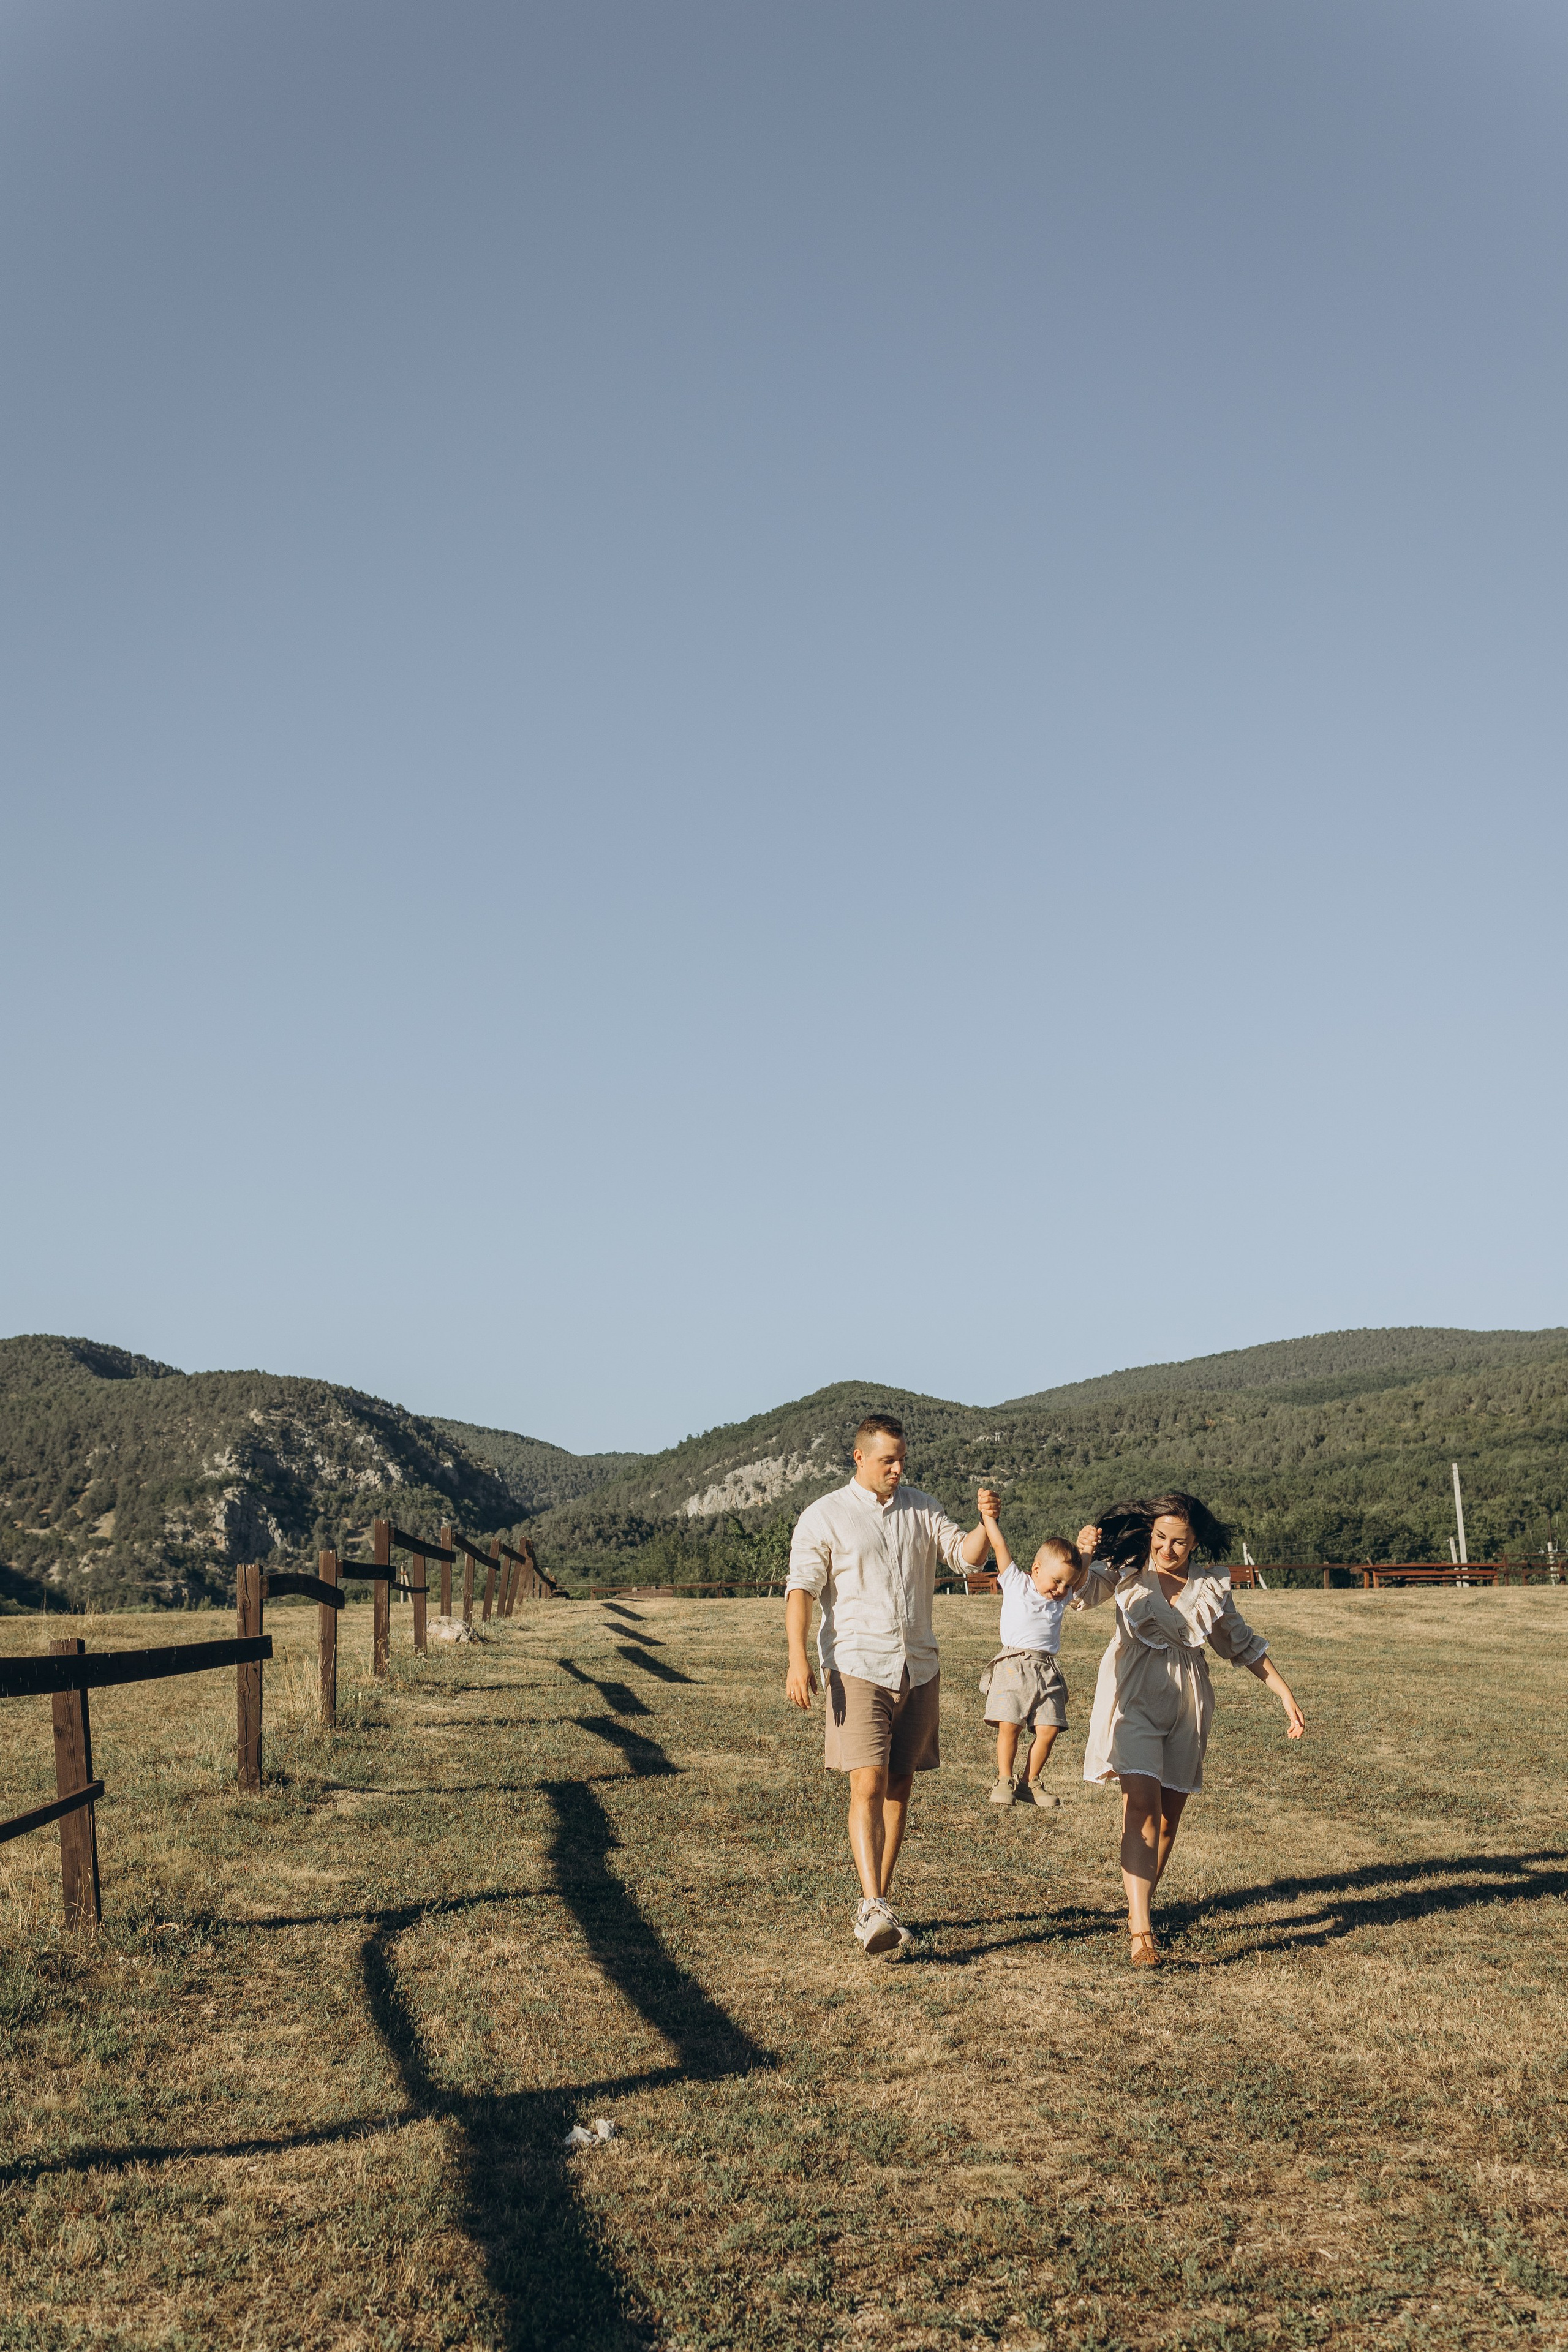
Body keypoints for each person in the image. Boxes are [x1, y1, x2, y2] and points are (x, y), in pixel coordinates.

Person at [1063, 1491, 1305, 1969]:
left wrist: (1283, 1693)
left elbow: (1238, 1641)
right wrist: (1084, 1552)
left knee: (1169, 1820)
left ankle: (1142, 1906)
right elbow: (1076, 1594)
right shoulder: (1125, 1569)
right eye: (1160, 1537)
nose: (1166, 1549)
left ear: (1195, 1543)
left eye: (1178, 1542)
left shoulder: (1211, 1586)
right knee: (1143, 1808)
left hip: (1188, 1703)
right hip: (1131, 1696)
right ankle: (1141, 1933)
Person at [784, 1414, 996, 1956]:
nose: (898, 1469)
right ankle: (871, 1903)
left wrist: (985, 1524)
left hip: (918, 1665)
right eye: (888, 1460)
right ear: (860, 1459)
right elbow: (802, 1591)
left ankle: (879, 1904)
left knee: (900, 1785)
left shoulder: (922, 1507)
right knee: (868, 1782)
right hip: (856, 1663)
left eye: (902, 1460)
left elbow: (966, 1559)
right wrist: (798, 1659)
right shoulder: (824, 1516)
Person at [975, 1505, 1079, 1808]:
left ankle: (1029, 1782)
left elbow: (1081, 1567)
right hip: (1014, 1665)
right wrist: (989, 1518)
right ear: (1036, 1569)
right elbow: (999, 1545)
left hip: (1046, 1670)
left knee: (1049, 1729)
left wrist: (1086, 1547)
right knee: (1011, 1725)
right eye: (1056, 1581)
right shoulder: (1017, 1583)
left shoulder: (1063, 1596)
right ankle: (1004, 1778)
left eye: (1067, 1585)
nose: (1061, 1590)